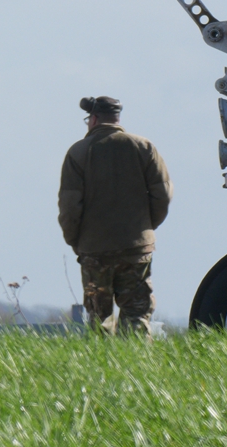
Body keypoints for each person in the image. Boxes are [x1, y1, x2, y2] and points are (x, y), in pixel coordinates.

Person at [58, 94, 172, 335]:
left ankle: (103, 359)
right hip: (136, 249)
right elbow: (162, 195)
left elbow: (69, 207)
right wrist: (145, 228)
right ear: (117, 118)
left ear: (94, 119)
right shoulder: (144, 147)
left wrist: (75, 240)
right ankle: (138, 358)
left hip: (94, 250)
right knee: (137, 314)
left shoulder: (78, 152)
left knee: (99, 318)